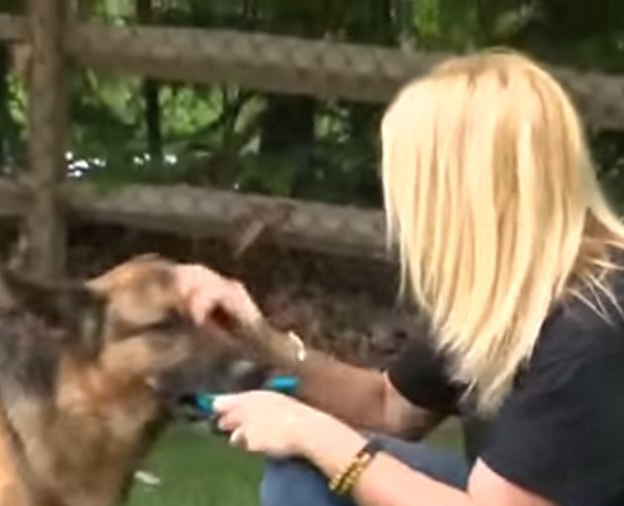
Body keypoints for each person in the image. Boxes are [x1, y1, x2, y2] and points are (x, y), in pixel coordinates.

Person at [173, 50, 624, 506]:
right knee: (304, 468)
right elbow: (389, 405)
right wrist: (259, 338)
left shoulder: (589, 330)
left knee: (317, 455)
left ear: (455, 194)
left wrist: (313, 434)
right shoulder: (514, 295)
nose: (400, 215)